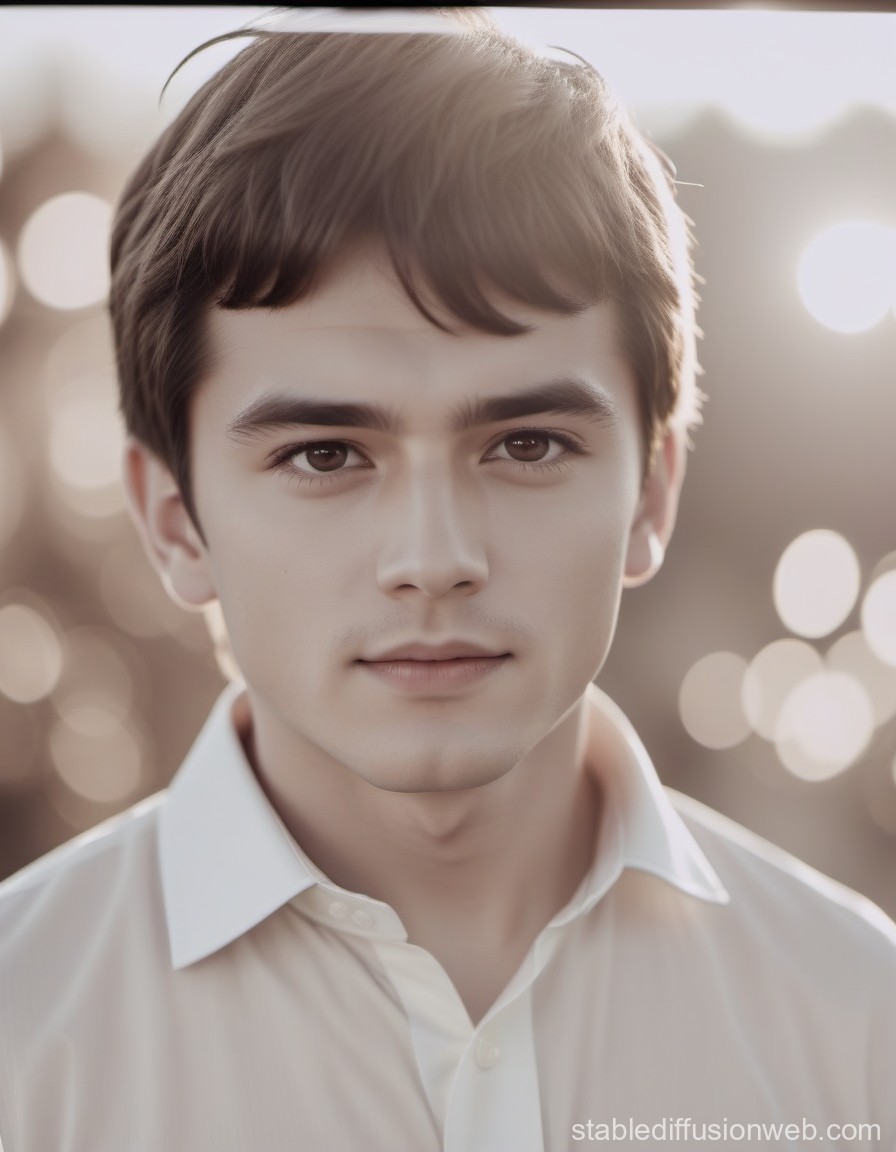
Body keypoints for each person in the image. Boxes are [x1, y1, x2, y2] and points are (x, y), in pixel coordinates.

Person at [0, 8, 893, 1151]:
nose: (434, 558)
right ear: (173, 519)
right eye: (324, 455)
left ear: (651, 493)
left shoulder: (857, 1018)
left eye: (524, 446)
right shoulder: (26, 1039)